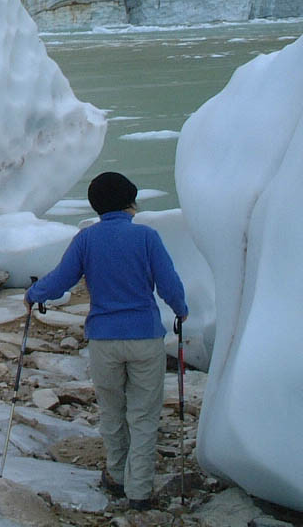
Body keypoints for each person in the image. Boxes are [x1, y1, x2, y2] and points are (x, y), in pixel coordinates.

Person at [25, 171, 187, 510]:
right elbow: (168, 282)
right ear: (130, 202)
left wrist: (33, 294)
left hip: (103, 339)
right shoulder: (146, 237)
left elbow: (61, 280)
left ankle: (116, 475)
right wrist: (180, 310)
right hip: (144, 337)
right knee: (143, 415)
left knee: (112, 411)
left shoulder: (86, 239)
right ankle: (139, 491)